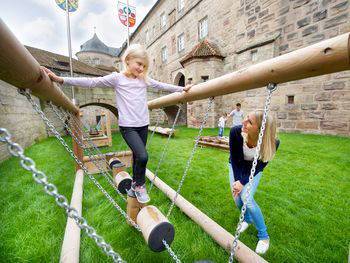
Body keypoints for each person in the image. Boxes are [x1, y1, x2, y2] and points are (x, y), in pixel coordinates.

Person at [42, 44, 193, 204]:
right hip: (128, 126)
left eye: (144, 66)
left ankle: (135, 184)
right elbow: (92, 82)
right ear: (128, 61)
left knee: (137, 156)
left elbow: (161, 86)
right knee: (143, 155)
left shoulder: (144, 80)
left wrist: (181, 89)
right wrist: (61, 79)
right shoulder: (117, 78)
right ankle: (140, 185)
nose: (141, 68)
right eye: (139, 64)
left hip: (143, 124)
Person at [228, 111, 280, 254]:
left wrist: (243, 182)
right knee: (237, 197)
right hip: (236, 165)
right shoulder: (236, 132)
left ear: (261, 129)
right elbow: (234, 159)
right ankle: (247, 219)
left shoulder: (273, 142)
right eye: (246, 118)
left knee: (247, 199)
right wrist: (239, 181)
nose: (243, 122)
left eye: (250, 122)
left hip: (254, 169)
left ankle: (264, 237)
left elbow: (260, 165)